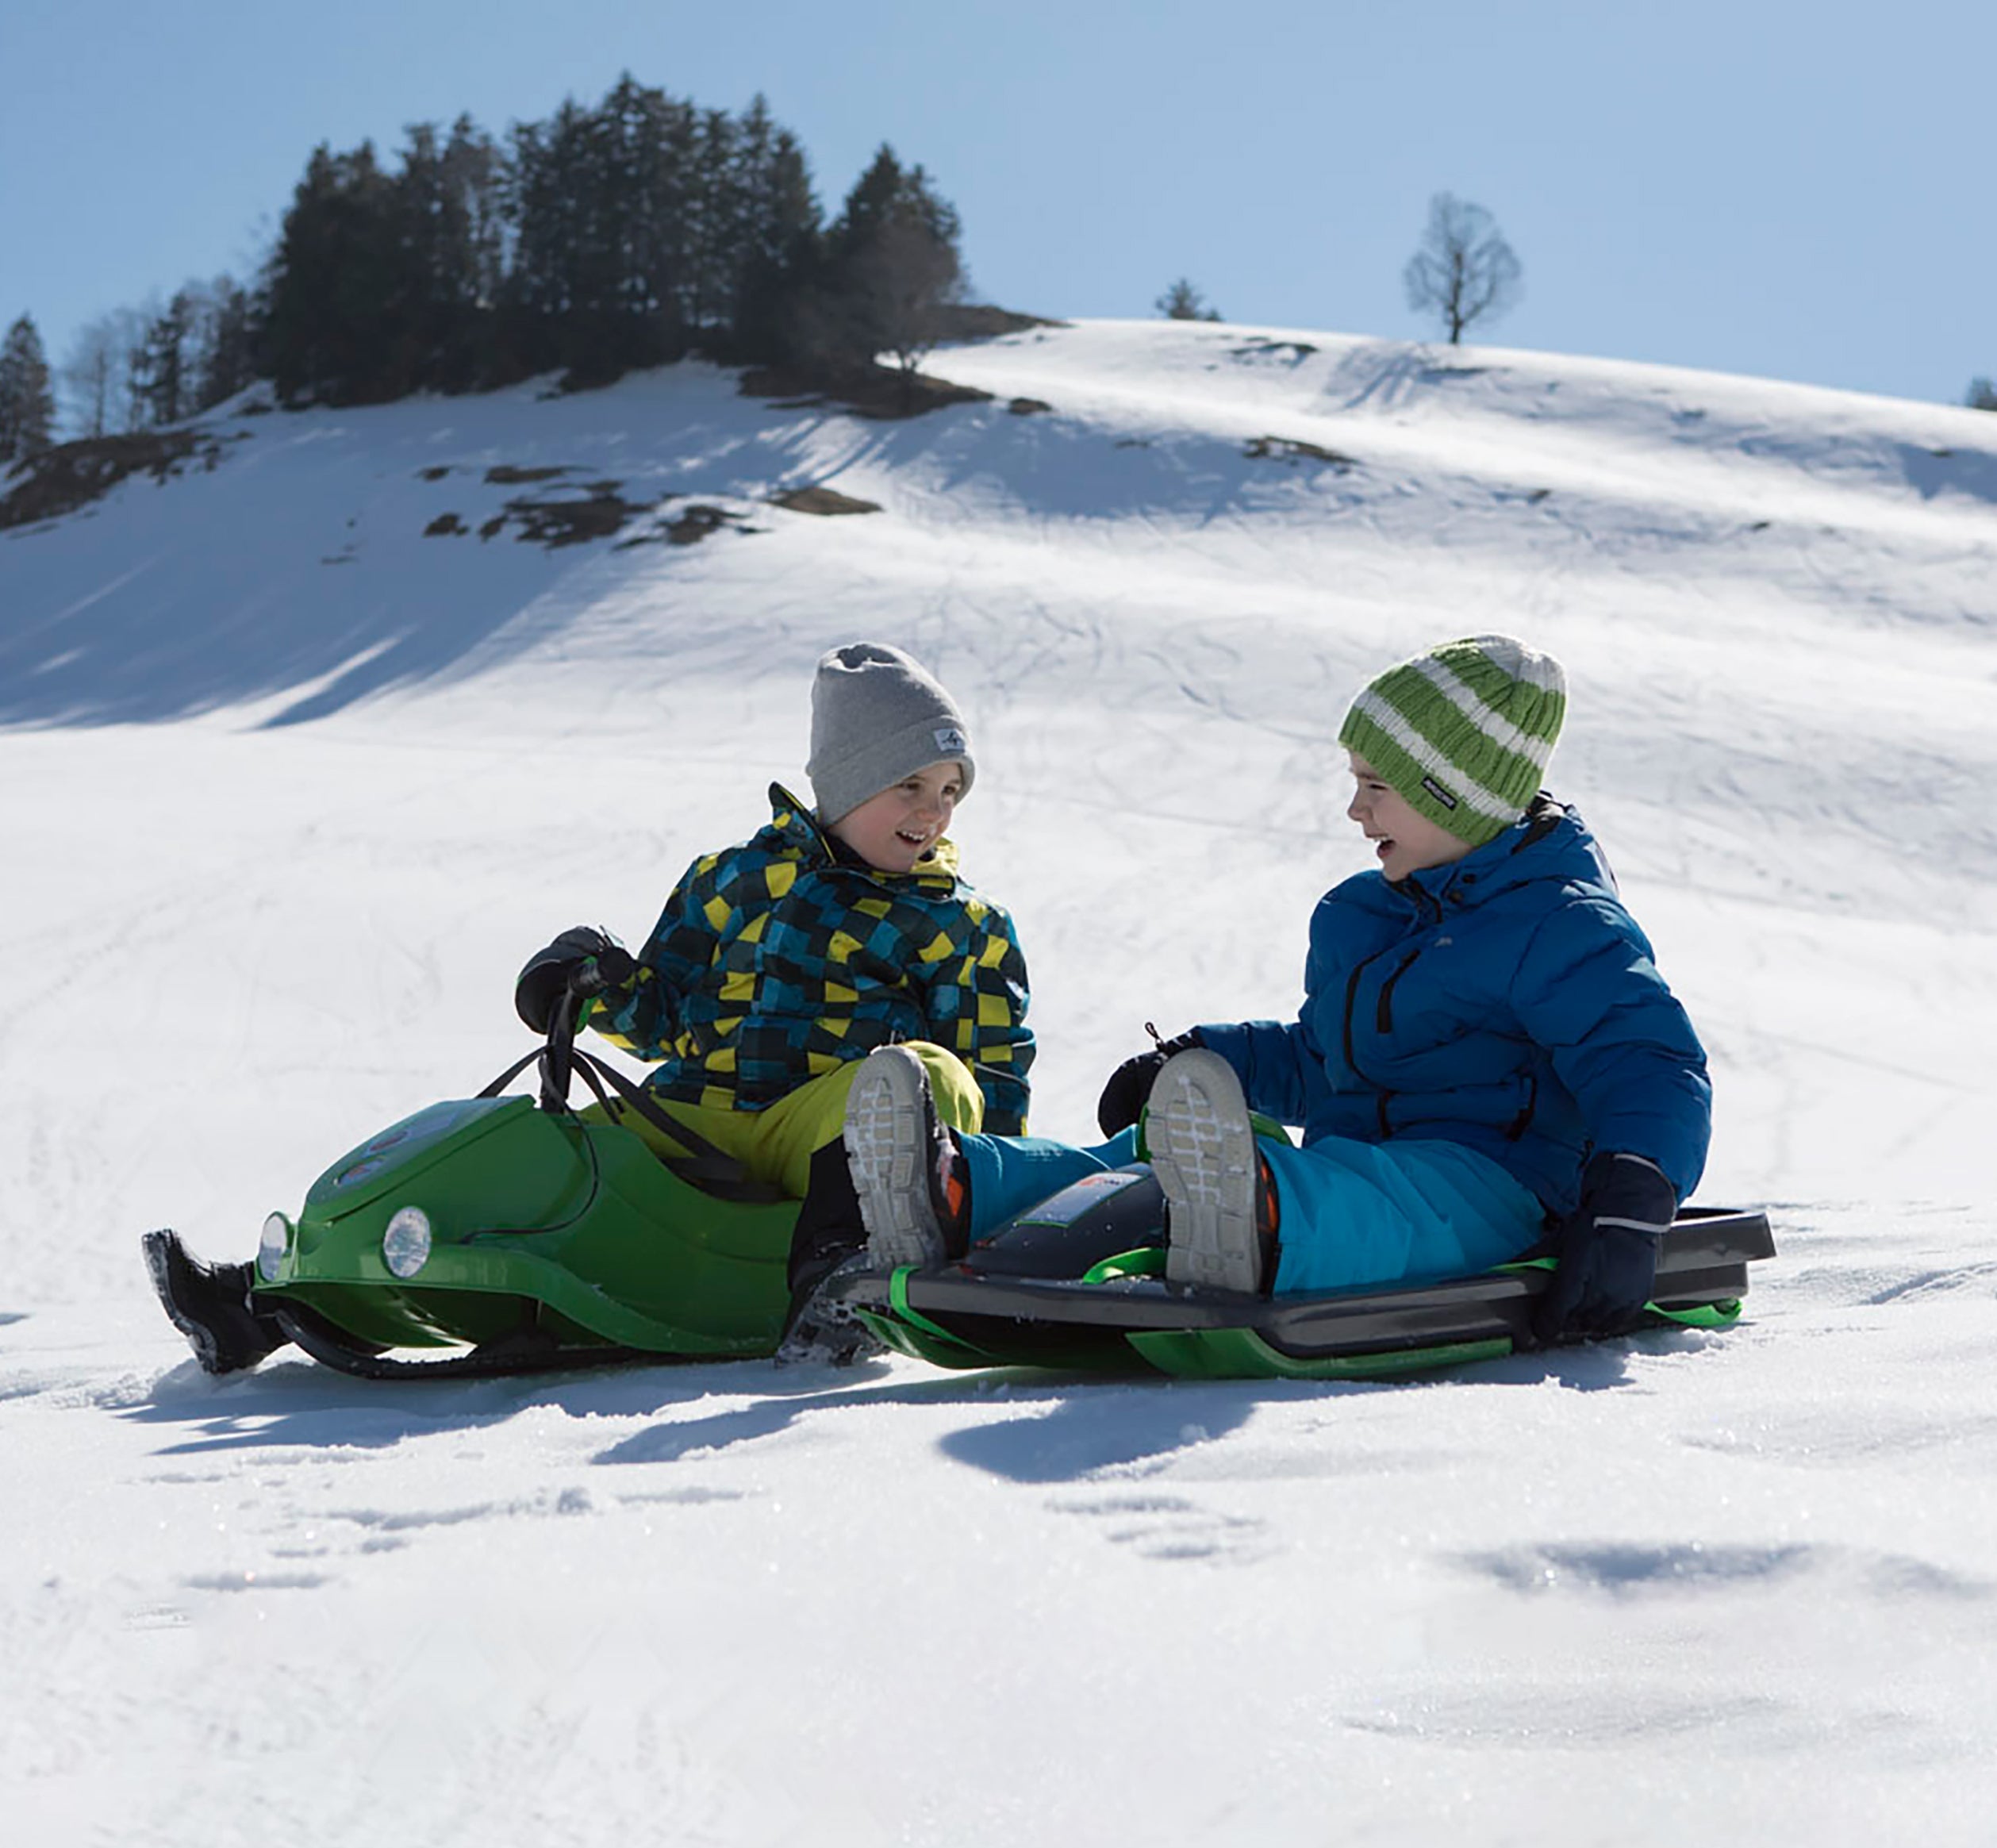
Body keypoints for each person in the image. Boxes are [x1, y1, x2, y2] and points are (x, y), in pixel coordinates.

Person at [794, 634, 1711, 1353]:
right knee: (1154, 1165)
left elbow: (1651, 1062)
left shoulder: (1560, 921)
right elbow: (1323, 1061)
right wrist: (1200, 1058)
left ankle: (1262, 1216)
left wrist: (1633, 1196)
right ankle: (959, 1185)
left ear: (1457, 797)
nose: (1357, 812)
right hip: (1350, 1158)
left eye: (1378, 787)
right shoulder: (1365, 915)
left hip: (1500, 1185)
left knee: (1363, 1196)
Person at [147, 640, 1032, 1372]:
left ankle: (841, 1282)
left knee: (916, 1079)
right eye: (910, 786)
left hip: (819, 1134)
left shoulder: (963, 925)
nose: (935, 814)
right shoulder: (733, 879)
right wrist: (591, 980)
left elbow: (992, 1083)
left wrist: (1005, 1212)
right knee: (524, 1139)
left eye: (950, 791)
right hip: (693, 1119)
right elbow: (661, 1017)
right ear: (844, 782)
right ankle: (262, 1301)